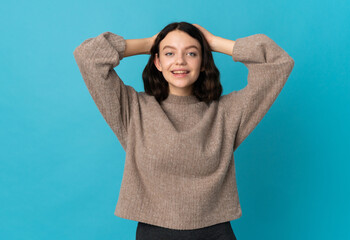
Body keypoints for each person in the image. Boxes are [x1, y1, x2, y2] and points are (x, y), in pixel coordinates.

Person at [73, 21, 294, 240]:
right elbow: (88, 56)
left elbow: (278, 63)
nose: (180, 61)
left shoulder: (226, 114)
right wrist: (150, 43)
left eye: (191, 53)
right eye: (169, 54)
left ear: (204, 62)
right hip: (154, 233)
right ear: (157, 62)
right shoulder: (133, 110)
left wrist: (215, 43)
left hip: (215, 232)